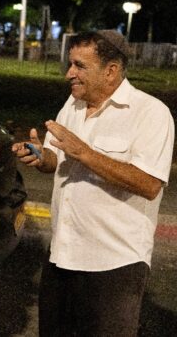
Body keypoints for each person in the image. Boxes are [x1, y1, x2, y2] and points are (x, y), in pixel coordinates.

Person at [12, 30, 174, 336]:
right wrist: (40, 156)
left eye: (79, 66)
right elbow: (56, 158)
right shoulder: (72, 106)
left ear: (111, 70)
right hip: (62, 255)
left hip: (115, 264)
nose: (68, 73)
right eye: (70, 64)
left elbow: (150, 184)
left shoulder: (150, 113)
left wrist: (85, 153)